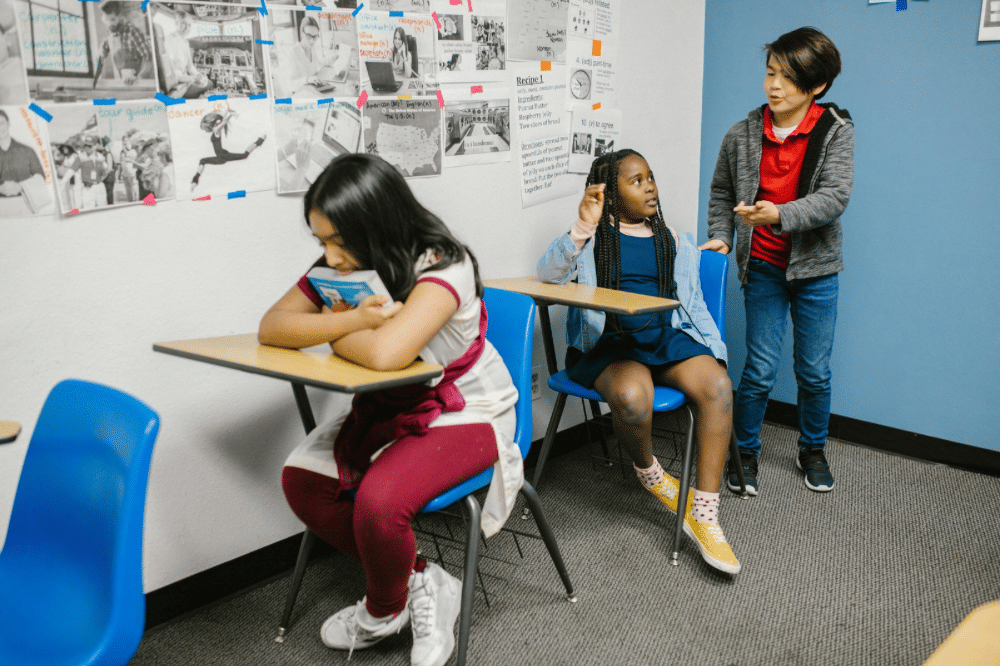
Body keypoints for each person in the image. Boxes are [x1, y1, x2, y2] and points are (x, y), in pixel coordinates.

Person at [258, 153, 522, 666]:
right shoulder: (350, 265)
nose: (330, 258)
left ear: (375, 225)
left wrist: (337, 335)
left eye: (338, 240)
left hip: (469, 408)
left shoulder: (445, 264)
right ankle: (424, 581)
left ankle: (383, 608)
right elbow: (273, 326)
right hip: (393, 404)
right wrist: (354, 321)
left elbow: (385, 355)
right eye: (321, 242)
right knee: (302, 480)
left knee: (378, 504)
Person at [537, 149, 741, 575]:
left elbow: (694, 304)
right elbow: (549, 274)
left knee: (719, 387)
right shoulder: (593, 240)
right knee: (631, 398)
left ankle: (704, 514)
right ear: (610, 196)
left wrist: (713, 350)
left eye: (650, 177)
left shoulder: (676, 242)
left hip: (662, 338)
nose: (649, 186)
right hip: (609, 344)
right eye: (636, 181)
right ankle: (652, 475)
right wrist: (582, 227)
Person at [702, 27, 852, 496]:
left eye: (788, 78)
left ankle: (813, 449)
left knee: (814, 370)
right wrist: (722, 237)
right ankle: (744, 451)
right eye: (770, 73)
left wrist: (779, 214)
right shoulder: (742, 133)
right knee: (761, 366)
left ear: (817, 85)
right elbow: (723, 191)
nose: (775, 85)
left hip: (816, 271)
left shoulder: (836, 132)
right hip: (763, 267)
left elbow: (834, 197)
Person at [190, 110, 266, 191]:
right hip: (220, 157)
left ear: (209, 125)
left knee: (244, 155)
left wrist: (231, 115)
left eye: (205, 128)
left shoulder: (216, 130)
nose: (205, 131)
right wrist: (228, 111)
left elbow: (224, 121)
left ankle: (259, 141)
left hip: (222, 156)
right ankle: (195, 181)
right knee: (203, 160)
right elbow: (223, 117)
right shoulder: (215, 130)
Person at [97, 1, 153, 86]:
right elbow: (102, 52)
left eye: (112, 20)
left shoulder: (133, 32)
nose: (109, 24)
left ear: (120, 16)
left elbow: (149, 62)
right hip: (120, 84)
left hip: (137, 84)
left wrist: (138, 78)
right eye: (106, 20)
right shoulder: (110, 32)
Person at [162, 8, 210, 99]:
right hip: (177, 85)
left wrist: (199, 76)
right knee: (209, 86)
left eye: (189, 25)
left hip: (185, 82)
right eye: (183, 23)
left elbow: (190, 67)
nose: (187, 27)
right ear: (176, 23)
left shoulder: (185, 43)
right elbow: (170, 73)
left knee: (207, 82)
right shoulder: (170, 40)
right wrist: (192, 79)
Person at [282, 16, 333, 95]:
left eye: (315, 36)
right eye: (308, 36)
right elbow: (290, 85)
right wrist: (307, 79)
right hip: (301, 94)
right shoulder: (292, 52)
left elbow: (316, 64)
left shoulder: (312, 47)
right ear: (302, 33)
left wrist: (330, 60)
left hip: (314, 90)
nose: (312, 40)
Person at [0, 109, 43, 198]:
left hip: (26, 202)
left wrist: (21, 186)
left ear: (8, 124)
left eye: (1, 123)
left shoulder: (27, 151)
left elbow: (41, 177)